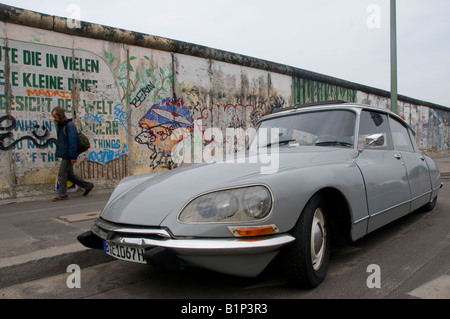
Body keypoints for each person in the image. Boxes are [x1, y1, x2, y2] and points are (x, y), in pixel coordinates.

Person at [51, 107, 94, 202]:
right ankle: (88, 186)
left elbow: (73, 142)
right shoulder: (61, 126)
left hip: (68, 155)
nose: (54, 119)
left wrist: (73, 156)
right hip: (66, 154)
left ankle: (62, 195)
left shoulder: (69, 126)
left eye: (55, 116)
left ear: (61, 116)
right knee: (70, 175)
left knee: (62, 174)